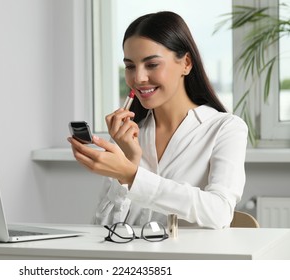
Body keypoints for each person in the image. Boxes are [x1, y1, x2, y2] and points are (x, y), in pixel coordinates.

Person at [68, 11, 248, 229]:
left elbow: (219, 213)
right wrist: (130, 160)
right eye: (130, 66)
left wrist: (132, 175)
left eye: (151, 64)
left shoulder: (225, 128)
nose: (138, 78)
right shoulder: (130, 136)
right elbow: (102, 228)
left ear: (186, 63)